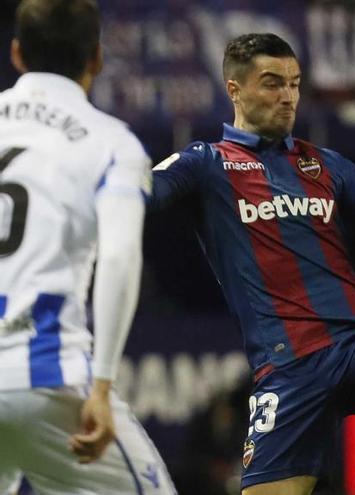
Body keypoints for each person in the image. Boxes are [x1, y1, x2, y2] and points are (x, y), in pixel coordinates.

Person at [149, 33, 355, 495]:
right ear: (234, 88)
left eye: (295, 84)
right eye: (272, 83)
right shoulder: (207, 164)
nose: (288, 97)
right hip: (288, 375)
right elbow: (140, 196)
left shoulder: (323, 163)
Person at [0, 0, 174, 493]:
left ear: (16, 53)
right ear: (97, 58)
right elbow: (119, 256)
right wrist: (101, 384)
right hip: (48, 379)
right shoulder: (111, 142)